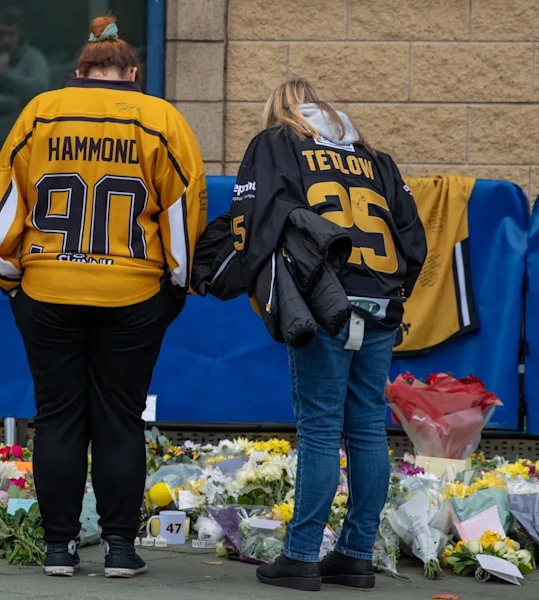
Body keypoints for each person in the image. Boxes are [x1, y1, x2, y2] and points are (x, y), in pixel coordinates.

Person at [0, 16, 207, 579]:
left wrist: (11, 279)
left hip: (48, 289)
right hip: (134, 293)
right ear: (131, 72)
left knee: (57, 417)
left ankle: (59, 547)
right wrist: (174, 286)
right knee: (120, 419)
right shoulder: (161, 118)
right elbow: (183, 215)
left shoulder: (39, 111)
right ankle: (119, 549)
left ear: (78, 72)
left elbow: (8, 207)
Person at [229, 79, 427, 591]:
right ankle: (357, 553)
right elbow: (412, 236)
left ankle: (300, 556)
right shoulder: (374, 156)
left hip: (325, 299)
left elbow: (251, 221)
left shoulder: (276, 143)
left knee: (319, 427)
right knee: (365, 427)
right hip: (381, 303)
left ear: (281, 111)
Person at [0, 8, 50, 169]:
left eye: (11, 35)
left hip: (22, 151)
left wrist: (5, 75)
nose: (6, 40)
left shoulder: (31, 58)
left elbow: (40, 92)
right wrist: (9, 101)